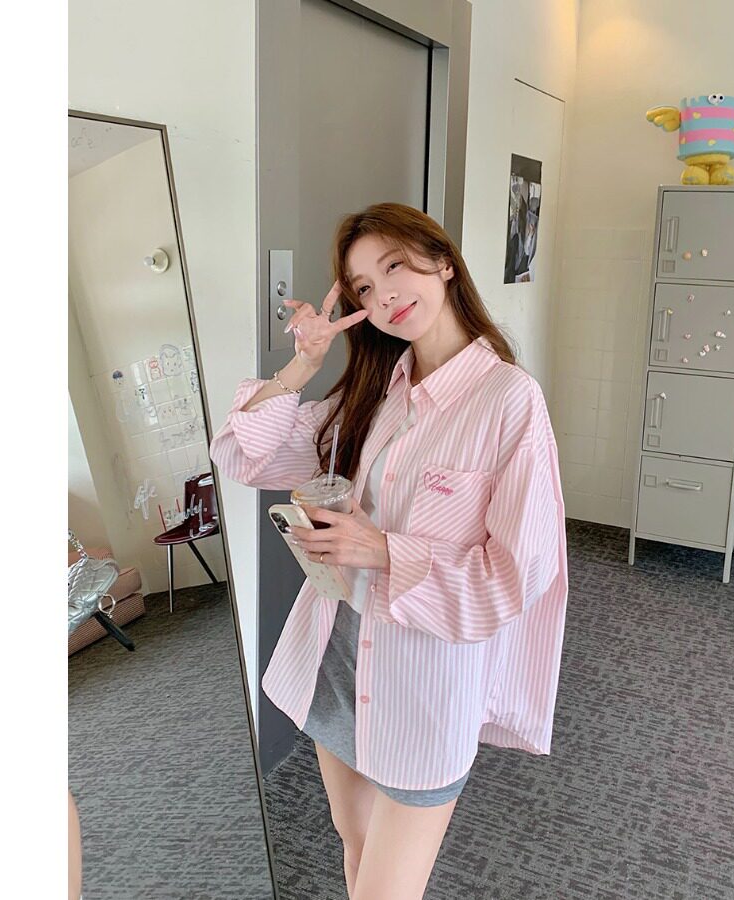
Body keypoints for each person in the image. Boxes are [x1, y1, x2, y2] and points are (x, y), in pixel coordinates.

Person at [210, 202, 568, 900]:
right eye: (364, 287)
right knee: (355, 845)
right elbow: (244, 456)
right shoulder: (377, 391)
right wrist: (304, 363)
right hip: (335, 658)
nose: (385, 295)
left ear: (443, 262)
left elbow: (516, 576)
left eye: (396, 266)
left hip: (423, 687)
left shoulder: (509, 402)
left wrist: (382, 550)